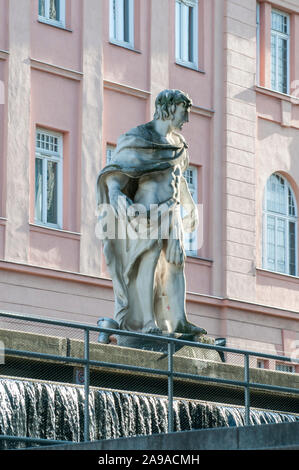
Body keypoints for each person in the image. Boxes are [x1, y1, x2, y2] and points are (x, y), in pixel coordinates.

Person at [96, 89, 207, 337]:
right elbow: (117, 169)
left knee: (177, 263)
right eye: (183, 112)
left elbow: (179, 179)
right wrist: (115, 192)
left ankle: (179, 321)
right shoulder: (139, 137)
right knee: (150, 259)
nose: (186, 119)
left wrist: (189, 206)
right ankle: (147, 323)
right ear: (168, 109)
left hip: (172, 210)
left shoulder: (179, 145)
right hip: (146, 211)